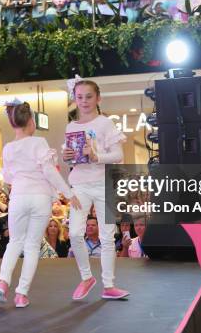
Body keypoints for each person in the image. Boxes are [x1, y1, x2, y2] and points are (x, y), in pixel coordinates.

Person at [0, 100, 81, 308]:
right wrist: (68, 193)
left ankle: (2, 282)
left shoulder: (8, 148)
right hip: (40, 197)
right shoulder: (39, 142)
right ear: (31, 121)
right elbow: (49, 171)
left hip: (18, 197)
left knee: (14, 243)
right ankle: (21, 294)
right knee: (32, 245)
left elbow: (7, 177)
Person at [62, 77, 130, 300]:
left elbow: (119, 155)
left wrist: (96, 155)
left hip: (104, 184)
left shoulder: (105, 123)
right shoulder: (71, 126)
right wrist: (67, 157)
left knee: (108, 237)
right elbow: (71, 158)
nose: (84, 101)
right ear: (75, 98)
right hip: (80, 183)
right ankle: (86, 278)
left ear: (98, 98)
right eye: (79, 97)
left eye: (89, 96)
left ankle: (109, 285)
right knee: (74, 232)